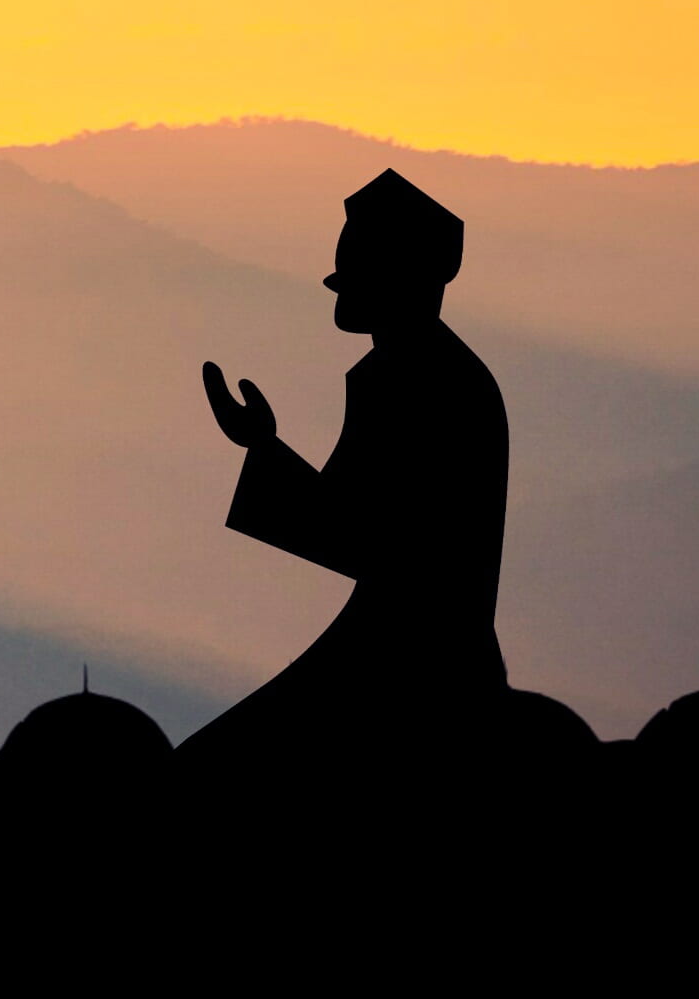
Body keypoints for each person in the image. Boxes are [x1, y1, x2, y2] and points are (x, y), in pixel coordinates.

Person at [178, 168, 510, 766]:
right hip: (408, 647)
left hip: (410, 660)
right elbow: (354, 524)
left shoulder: (417, 379)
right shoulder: (414, 372)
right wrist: (263, 448)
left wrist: (263, 450)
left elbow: (359, 539)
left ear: (397, 279)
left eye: (352, 278)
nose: (339, 292)